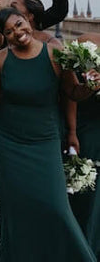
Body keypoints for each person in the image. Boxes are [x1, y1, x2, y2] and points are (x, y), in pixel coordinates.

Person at [0, 7, 100, 261]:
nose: (18, 33)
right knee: (17, 210)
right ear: (5, 37)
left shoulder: (55, 52)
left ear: (27, 21)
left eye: (19, 25)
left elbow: (72, 93)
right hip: (7, 143)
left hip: (44, 140)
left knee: (57, 208)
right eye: (9, 32)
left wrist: (90, 87)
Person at [66, 32, 100, 259]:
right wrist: (72, 132)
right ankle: (84, 245)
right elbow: (69, 91)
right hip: (87, 127)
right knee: (86, 188)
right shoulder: (86, 41)